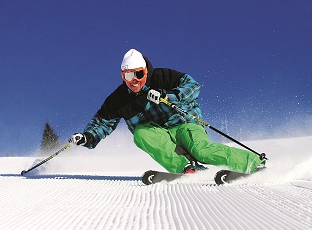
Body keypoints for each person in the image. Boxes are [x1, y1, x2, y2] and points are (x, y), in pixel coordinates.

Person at [70, 49, 265, 174]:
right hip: (158, 135)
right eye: (129, 75)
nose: (134, 80)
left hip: (184, 125)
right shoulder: (118, 99)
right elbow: (103, 122)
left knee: (201, 151)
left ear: (146, 71)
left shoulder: (163, 77)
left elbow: (193, 85)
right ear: (123, 76)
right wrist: (87, 136)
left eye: (138, 73)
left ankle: (253, 163)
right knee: (140, 134)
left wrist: (168, 95)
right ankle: (186, 168)